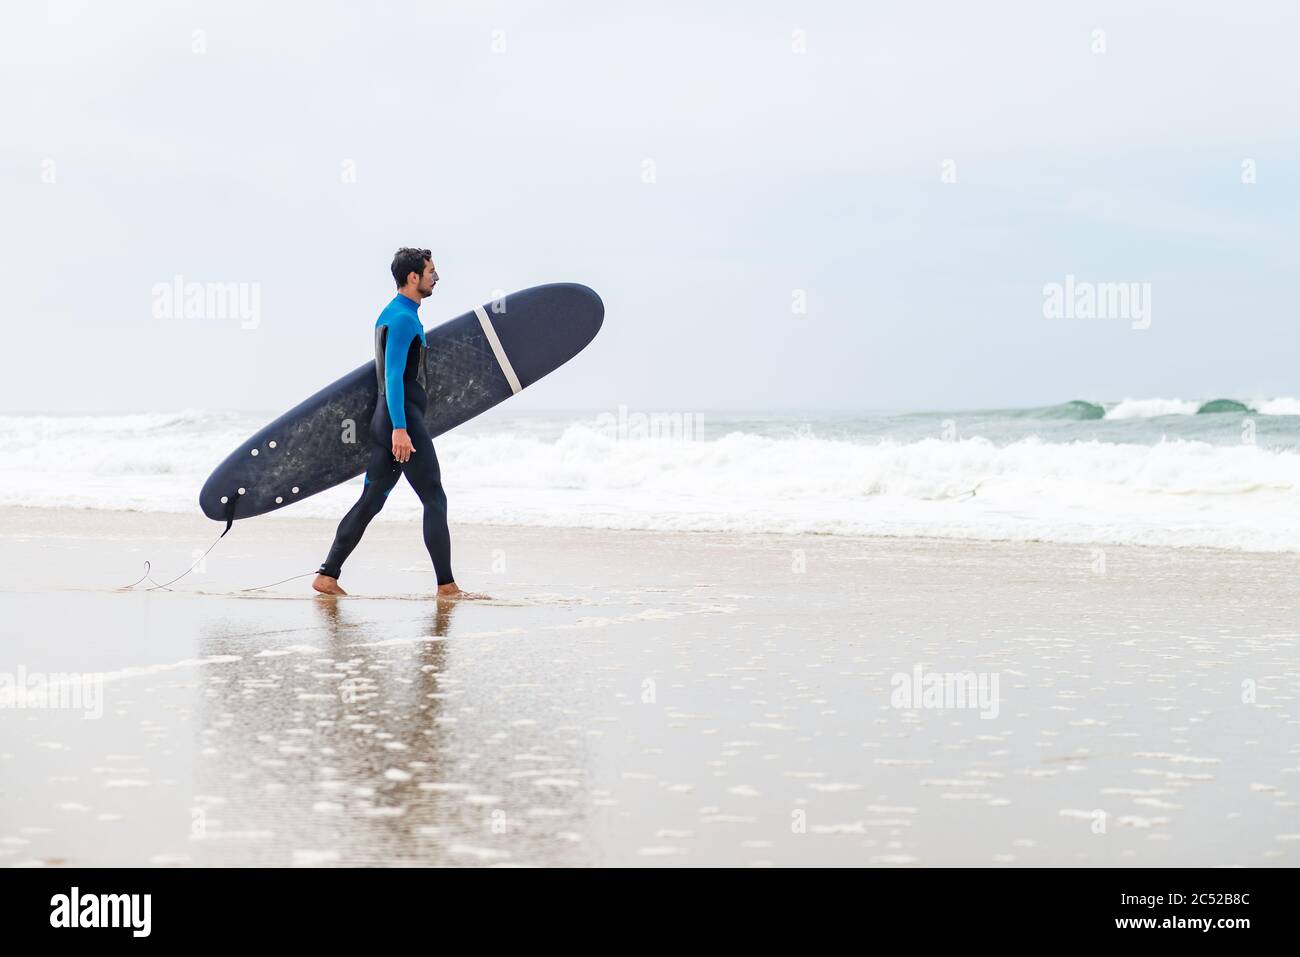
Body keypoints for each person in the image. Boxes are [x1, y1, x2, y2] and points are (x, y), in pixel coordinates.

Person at [313, 248, 485, 600]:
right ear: (413, 278)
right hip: (401, 421)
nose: (435, 278)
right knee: (434, 498)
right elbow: (392, 376)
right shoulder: (403, 318)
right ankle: (447, 587)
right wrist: (401, 429)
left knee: (371, 500)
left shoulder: (395, 313)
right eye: (431, 272)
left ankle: (327, 575)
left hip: (389, 419)